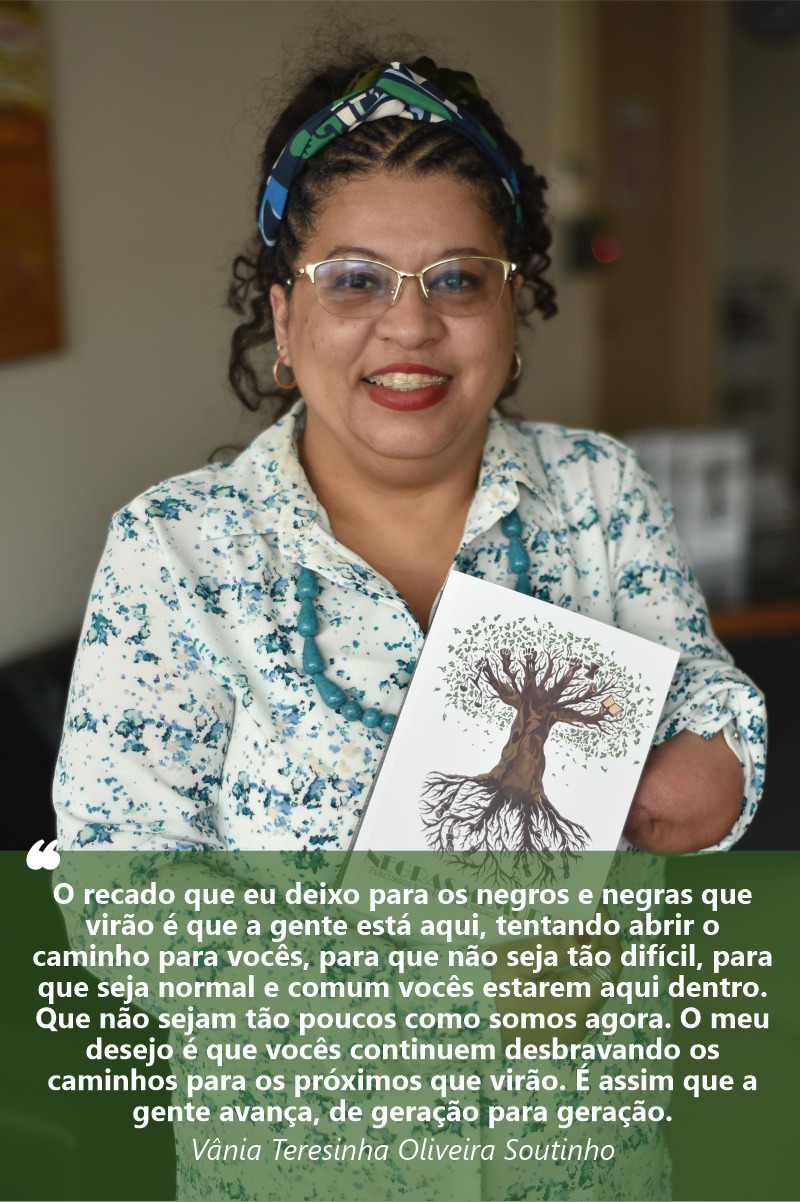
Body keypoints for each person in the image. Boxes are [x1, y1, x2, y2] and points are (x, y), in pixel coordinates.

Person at [54, 54, 765, 1201]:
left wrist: (656, 795)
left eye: (455, 279)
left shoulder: (595, 493)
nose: (409, 324)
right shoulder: (178, 549)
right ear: (282, 319)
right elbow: (123, 890)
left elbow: (714, 718)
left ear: (511, 309)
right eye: (352, 280)